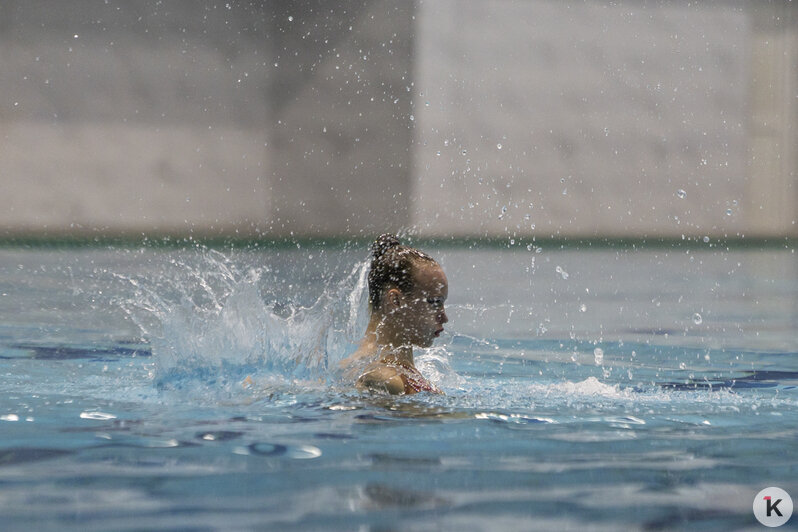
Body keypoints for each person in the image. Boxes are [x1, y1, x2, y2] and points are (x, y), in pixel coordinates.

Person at [340, 234, 449, 395]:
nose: (444, 318)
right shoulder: (384, 379)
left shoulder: (392, 373)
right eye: (433, 303)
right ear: (396, 300)